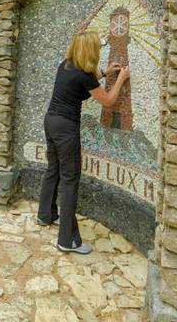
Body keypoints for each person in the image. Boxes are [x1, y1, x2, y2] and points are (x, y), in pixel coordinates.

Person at [38, 30, 130, 254]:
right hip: (66, 127)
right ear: (91, 50)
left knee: (54, 169)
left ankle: (46, 215)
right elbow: (107, 100)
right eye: (98, 47)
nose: (100, 49)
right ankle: (67, 241)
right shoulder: (84, 74)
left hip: (50, 121)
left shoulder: (66, 64)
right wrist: (120, 79)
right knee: (71, 179)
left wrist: (104, 73)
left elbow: (83, 80)